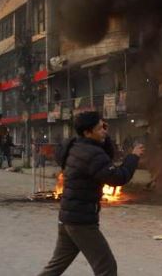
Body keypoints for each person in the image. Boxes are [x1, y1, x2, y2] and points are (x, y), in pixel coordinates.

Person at [37, 111, 144, 276]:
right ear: (87, 132)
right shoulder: (92, 154)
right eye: (100, 128)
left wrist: (103, 138)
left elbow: (106, 157)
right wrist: (133, 157)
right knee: (106, 267)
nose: (105, 131)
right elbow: (118, 177)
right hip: (81, 221)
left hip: (68, 217)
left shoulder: (76, 146)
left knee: (55, 267)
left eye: (105, 126)